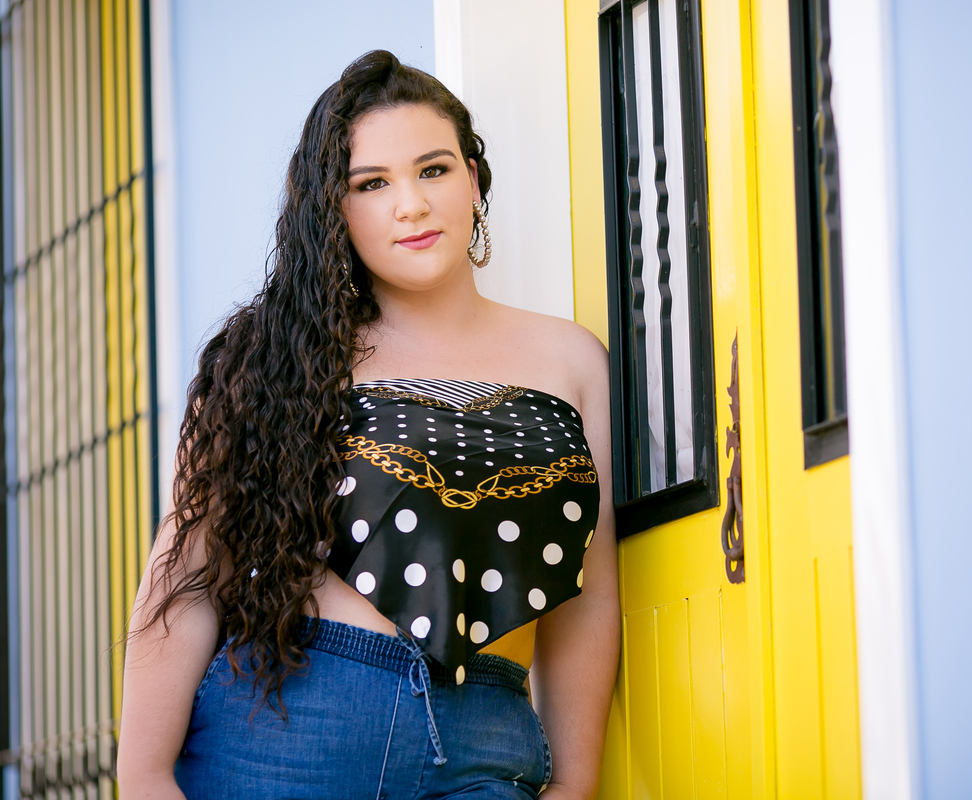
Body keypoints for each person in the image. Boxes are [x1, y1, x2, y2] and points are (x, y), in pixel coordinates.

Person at [115, 50, 620, 799]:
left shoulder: (571, 359)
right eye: (371, 184)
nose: (410, 205)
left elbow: (588, 589)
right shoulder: (278, 357)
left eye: (433, 170)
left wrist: (575, 784)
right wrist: (145, 776)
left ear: (472, 179)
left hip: (485, 744)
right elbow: (186, 573)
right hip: (288, 729)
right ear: (336, 210)